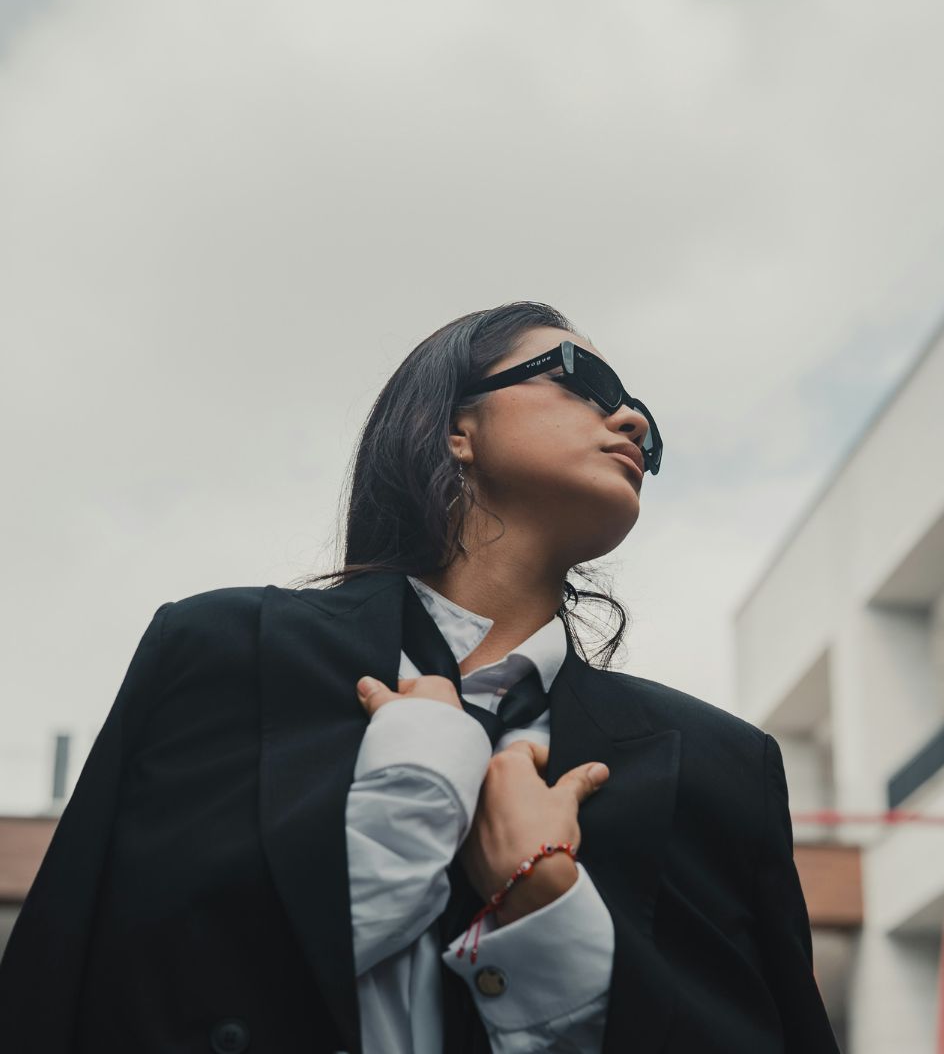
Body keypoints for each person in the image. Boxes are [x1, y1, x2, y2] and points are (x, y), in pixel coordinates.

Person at [0, 302, 839, 1053]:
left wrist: (545, 907)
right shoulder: (223, 651)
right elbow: (88, 983)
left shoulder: (723, 766)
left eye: (645, 424)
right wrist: (415, 792)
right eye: (581, 378)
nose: (630, 417)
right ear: (454, 427)